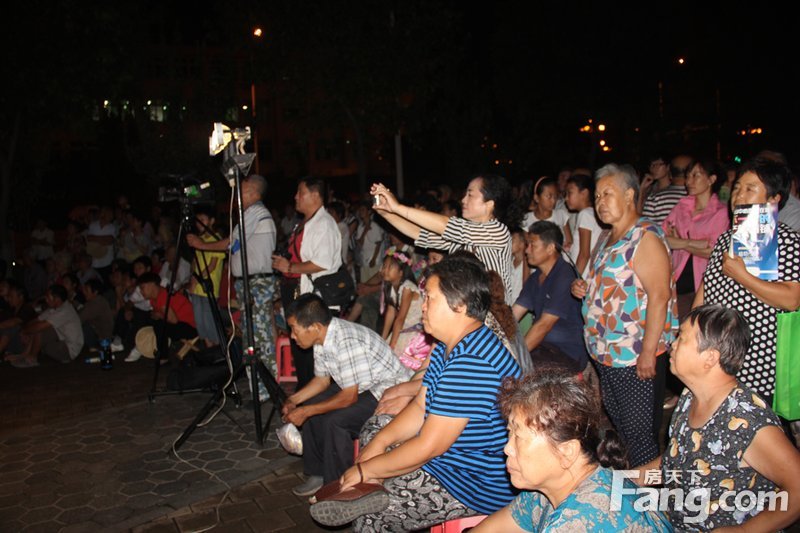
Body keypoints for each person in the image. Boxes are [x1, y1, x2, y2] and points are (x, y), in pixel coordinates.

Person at [310, 255, 522, 531]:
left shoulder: (472, 362)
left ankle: (375, 493)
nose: (422, 307)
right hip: (449, 457)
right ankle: (374, 486)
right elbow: (420, 407)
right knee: (375, 428)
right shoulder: (450, 345)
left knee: (371, 517)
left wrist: (366, 469)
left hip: (471, 482)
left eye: (429, 299)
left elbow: (429, 446)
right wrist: (378, 446)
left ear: (459, 304)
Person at [633, 304, 800, 531]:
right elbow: (676, 461)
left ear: (710, 358)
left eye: (682, 338)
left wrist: (744, 531)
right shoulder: (690, 395)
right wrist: (628, 479)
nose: (673, 343)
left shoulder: (746, 420)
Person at [473, 368, 671, 532]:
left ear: (566, 452)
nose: (507, 448)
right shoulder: (544, 492)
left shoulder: (580, 523)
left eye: (519, 438)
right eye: (510, 433)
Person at [572, 163, 678, 467]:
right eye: (597, 196)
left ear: (630, 195)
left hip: (633, 356)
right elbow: (611, 285)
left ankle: (654, 503)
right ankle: (638, 491)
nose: (600, 202)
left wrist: (648, 352)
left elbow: (659, 296)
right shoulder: (608, 238)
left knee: (641, 435)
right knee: (625, 429)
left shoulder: (644, 238)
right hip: (607, 354)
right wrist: (584, 287)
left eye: (608, 194)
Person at [281, 293, 412, 497]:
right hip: (359, 385)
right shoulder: (321, 338)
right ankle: (317, 473)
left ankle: (337, 486)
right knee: (312, 406)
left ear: (314, 327)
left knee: (336, 421)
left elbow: (348, 397)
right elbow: (322, 380)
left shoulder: (346, 339)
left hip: (387, 389)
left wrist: (306, 411)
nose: (292, 336)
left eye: (294, 329)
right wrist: (294, 401)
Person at [693, 157, 800, 403]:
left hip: (759, 361)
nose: (738, 196)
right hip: (717, 355)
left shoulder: (787, 241)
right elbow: (705, 291)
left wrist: (742, 276)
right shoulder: (725, 239)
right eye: (737, 188)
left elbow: (792, 299)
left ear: (774, 199)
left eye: (750, 189)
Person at [188, 174, 278, 400]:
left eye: (242, 190)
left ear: (253, 193)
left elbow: (229, 243)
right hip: (250, 283)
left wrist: (201, 245)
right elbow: (235, 243)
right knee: (251, 335)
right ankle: (259, 389)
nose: (237, 194)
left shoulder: (255, 213)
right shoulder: (249, 214)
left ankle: (268, 389)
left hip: (257, 282)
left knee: (260, 335)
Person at [370, 174, 517, 302]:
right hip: (471, 317)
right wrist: (386, 214)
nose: (463, 200)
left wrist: (397, 207)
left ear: (489, 204)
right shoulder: (464, 236)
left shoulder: (498, 231)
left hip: (495, 322)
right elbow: (419, 234)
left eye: (470, 195)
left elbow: (445, 225)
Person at [272, 177, 342, 389]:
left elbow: (322, 261)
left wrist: (290, 267)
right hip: (300, 292)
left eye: (300, 192)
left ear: (315, 195)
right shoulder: (306, 223)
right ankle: (305, 402)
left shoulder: (324, 224)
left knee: (314, 359)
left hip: (316, 299)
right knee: (303, 355)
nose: (295, 197)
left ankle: (315, 405)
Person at [512, 221, 588, 373]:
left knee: (517, 371)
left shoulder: (565, 276)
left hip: (567, 353)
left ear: (550, 248)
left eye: (533, 245)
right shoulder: (536, 278)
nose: (527, 250)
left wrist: (514, 358)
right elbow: (512, 315)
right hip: (544, 348)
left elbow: (543, 326)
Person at [662, 157, 729, 319]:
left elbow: (714, 252)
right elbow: (664, 237)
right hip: (677, 281)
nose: (689, 181)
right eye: (688, 176)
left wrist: (681, 243)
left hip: (704, 284)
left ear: (711, 180)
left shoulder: (721, 212)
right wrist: (695, 243)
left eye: (696, 175)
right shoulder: (681, 207)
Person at [8, 284, 84, 368]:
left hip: (68, 350)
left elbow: (40, 326)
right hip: (59, 343)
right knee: (36, 327)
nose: (46, 299)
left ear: (57, 299)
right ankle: (25, 355)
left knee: (40, 329)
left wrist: (25, 331)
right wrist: (24, 331)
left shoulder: (65, 310)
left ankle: (31, 359)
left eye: (48, 297)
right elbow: (36, 320)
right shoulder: (54, 309)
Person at [378, 248, 426, 369]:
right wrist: (383, 339)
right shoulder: (390, 287)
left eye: (390, 267)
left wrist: (392, 345)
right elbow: (390, 314)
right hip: (403, 328)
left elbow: (400, 318)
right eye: (384, 266)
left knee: (394, 359)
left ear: (401, 272)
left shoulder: (407, 287)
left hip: (413, 330)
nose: (385, 270)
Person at [186, 206, 226, 347]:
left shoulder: (216, 239)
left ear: (211, 221)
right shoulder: (199, 239)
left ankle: (218, 348)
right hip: (197, 285)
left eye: (203, 220)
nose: (199, 223)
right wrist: (192, 278)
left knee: (210, 318)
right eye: (198, 220)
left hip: (208, 285)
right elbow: (195, 262)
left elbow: (212, 265)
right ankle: (209, 347)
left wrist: (197, 279)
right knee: (199, 318)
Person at [564, 173, 603, 278]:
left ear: (584, 193)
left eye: (569, 193)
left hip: (584, 276)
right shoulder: (591, 213)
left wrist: (574, 279)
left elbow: (584, 254)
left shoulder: (585, 214)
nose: (566, 198)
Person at [642, 154, 691, 224]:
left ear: (668, 167)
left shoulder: (694, 194)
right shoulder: (651, 193)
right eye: (652, 165)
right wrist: (642, 191)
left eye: (659, 164)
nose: (654, 168)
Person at [520, 176, 570, 242]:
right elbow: (528, 244)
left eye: (555, 196)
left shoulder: (561, 214)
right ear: (536, 198)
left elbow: (569, 241)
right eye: (549, 196)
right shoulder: (527, 219)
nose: (553, 200)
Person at [79, 278, 114, 350]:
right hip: (100, 335)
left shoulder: (97, 303)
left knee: (82, 327)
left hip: (103, 338)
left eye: (86, 290)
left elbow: (79, 319)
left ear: (95, 292)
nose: (84, 292)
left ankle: (94, 347)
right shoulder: (96, 300)